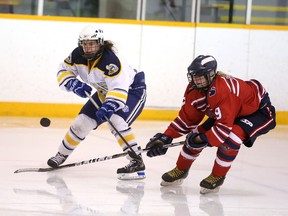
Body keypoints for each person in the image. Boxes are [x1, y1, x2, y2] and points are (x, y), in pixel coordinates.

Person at [145, 55, 276, 194]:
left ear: (212, 74)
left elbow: (223, 129)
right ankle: (181, 169)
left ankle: (217, 176)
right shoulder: (194, 90)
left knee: (231, 138)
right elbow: (187, 120)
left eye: (201, 76)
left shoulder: (223, 89)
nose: (197, 79)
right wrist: (166, 137)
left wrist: (201, 139)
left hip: (258, 112)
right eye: (195, 75)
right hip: (232, 111)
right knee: (195, 134)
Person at [47, 25, 147, 180]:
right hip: (104, 92)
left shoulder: (111, 61)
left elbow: (119, 86)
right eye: (85, 43)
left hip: (132, 90)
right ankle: (61, 154)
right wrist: (72, 83)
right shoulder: (77, 55)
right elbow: (63, 71)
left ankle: (136, 161)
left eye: (92, 43)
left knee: (116, 120)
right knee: (81, 123)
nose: (88, 47)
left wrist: (110, 105)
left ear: (100, 43)